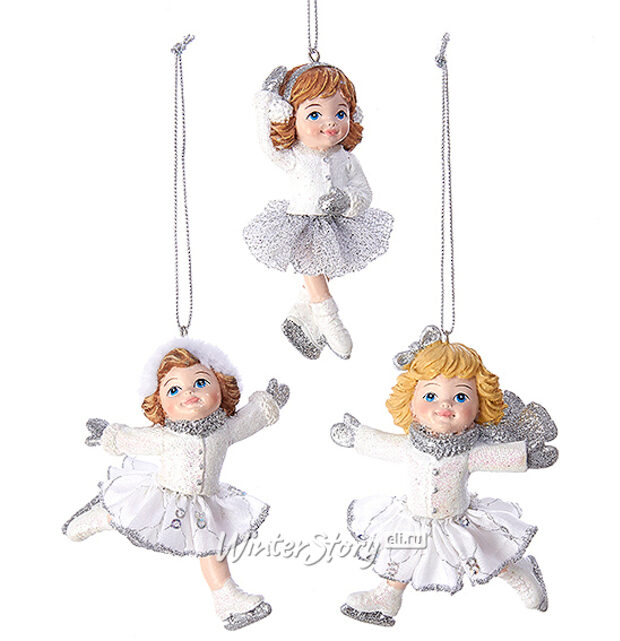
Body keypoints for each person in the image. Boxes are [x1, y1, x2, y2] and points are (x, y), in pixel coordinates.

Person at [330, 326, 558, 626]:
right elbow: (384, 445)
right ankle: (388, 595)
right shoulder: (410, 447)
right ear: (411, 405)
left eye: (461, 396)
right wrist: (357, 436)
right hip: (414, 517)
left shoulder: (470, 452)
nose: (446, 404)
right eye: (431, 395)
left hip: (459, 521)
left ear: (479, 407)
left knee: (487, 552)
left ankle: (519, 571)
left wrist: (526, 455)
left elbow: (499, 457)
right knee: (402, 554)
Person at [62, 338, 289, 631]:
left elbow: (250, 419)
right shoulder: (166, 436)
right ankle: (102, 516)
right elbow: (134, 439)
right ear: (160, 403)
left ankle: (226, 596)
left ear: (221, 386)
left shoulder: (225, 429)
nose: (189, 393)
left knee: (212, 545)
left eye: (200, 382)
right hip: (165, 497)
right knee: (130, 518)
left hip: (205, 501)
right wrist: (110, 435)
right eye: (173, 389)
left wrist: (267, 404)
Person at [244, 63, 393, 360]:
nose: (330, 123)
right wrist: (265, 104)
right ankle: (328, 319)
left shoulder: (346, 159)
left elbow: (364, 192)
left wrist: (347, 201)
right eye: (314, 114)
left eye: (340, 113)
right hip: (301, 223)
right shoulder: (294, 156)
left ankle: (301, 316)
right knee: (313, 266)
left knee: (323, 268)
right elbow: (266, 144)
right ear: (290, 118)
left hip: (337, 223)